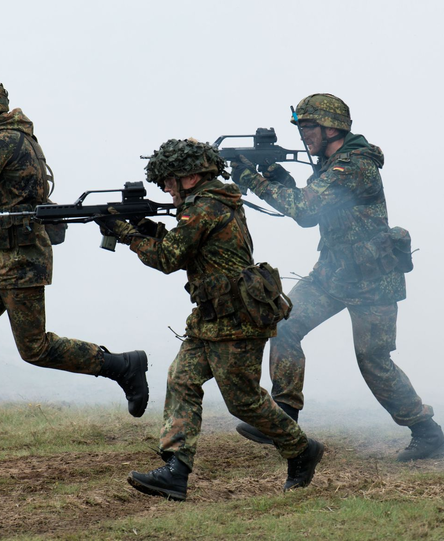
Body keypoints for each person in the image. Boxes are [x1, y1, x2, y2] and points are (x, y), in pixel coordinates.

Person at [0, 77, 149, 450]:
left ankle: (122, 366)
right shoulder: (4, 138)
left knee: (35, 349)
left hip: (20, 261)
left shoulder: (4, 140)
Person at [97, 138, 323, 501]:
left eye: (169, 180)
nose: (165, 188)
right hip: (211, 317)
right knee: (181, 378)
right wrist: (143, 226)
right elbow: (188, 249)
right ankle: (175, 469)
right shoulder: (206, 203)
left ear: (190, 177)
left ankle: (302, 450)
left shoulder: (204, 207)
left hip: (238, 320)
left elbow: (168, 259)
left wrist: (125, 233)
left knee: (244, 402)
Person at [229, 93, 444, 461]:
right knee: (284, 325)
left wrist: (255, 180)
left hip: (372, 280)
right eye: (301, 127)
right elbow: (314, 207)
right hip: (331, 274)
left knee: (373, 360)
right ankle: (285, 415)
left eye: (309, 126)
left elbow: (304, 209)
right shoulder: (333, 164)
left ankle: (426, 431)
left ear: (333, 128)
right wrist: (277, 176)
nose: (303, 135)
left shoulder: (355, 166)